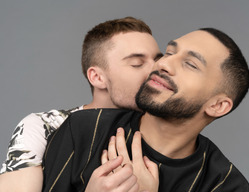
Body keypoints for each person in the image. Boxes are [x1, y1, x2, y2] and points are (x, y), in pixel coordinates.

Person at [42, 28, 249, 192]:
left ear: (217, 105)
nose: (164, 63)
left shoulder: (225, 185)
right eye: (169, 52)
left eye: (190, 64)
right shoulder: (83, 130)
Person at [0, 17, 162, 192]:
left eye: (158, 61)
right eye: (137, 64)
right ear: (97, 77)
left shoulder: (166, 132)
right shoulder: (43, 127)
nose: (156, 71)